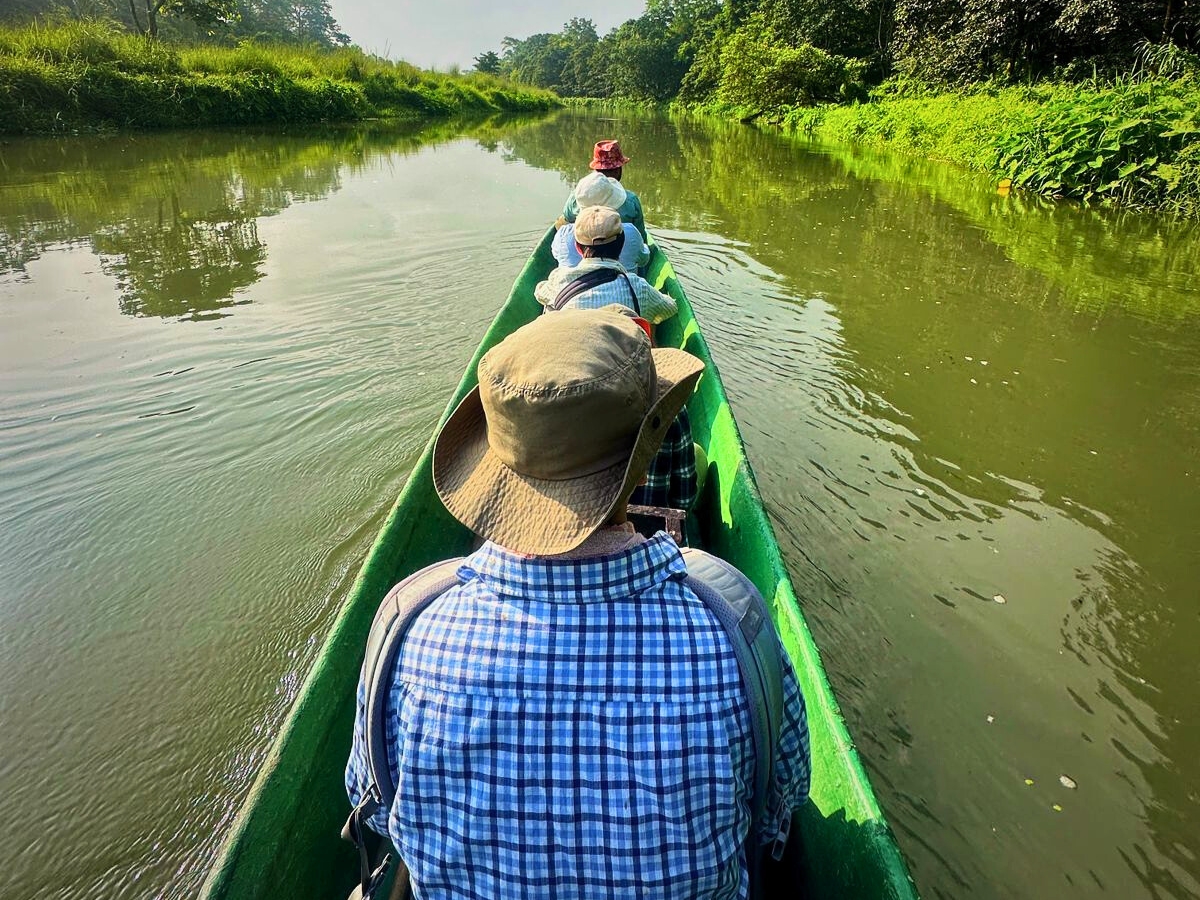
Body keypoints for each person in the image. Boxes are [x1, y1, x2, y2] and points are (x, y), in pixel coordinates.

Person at [346, 308, 811, 900]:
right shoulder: (732, 619)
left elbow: (377, 811)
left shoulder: (407, 626)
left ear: (495, 467)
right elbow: (778, 813)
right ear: (645, 454)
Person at [535, 206, 676, 323]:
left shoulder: (558, 280)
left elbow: (539, 293)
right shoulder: (638, 288)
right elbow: (670, 308)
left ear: (578, 248)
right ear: (621, 244)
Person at [553, 171, 650, 272]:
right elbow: (644, 259)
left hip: (573, 286)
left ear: (579, 247)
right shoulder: (631, 232)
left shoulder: (563, 235)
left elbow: (556, 255)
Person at [561, 139, 646, 239]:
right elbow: (641, 237)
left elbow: (566, 222)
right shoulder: (631, 200)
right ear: (618, 171)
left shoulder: (577, 196)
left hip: (584, 248)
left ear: (595, 170)